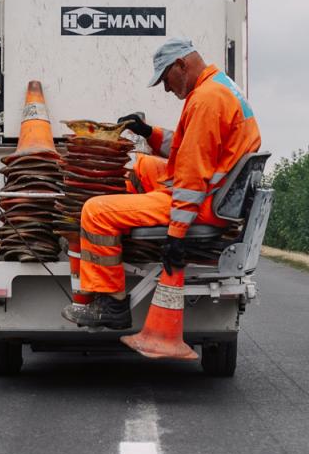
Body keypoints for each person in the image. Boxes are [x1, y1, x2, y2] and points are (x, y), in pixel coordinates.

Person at [62, 38, 261, 328]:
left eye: (165, 79)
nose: (166, 88)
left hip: (202, 202)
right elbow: (185, 146)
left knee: (95, 211)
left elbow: (192, 176)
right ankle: (121, 228)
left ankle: (111, 304)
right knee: (140, 166)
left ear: (182, 65)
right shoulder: (219, 85)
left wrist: (176, 236)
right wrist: (147, 132)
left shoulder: (206, 100)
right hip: (213, 192)